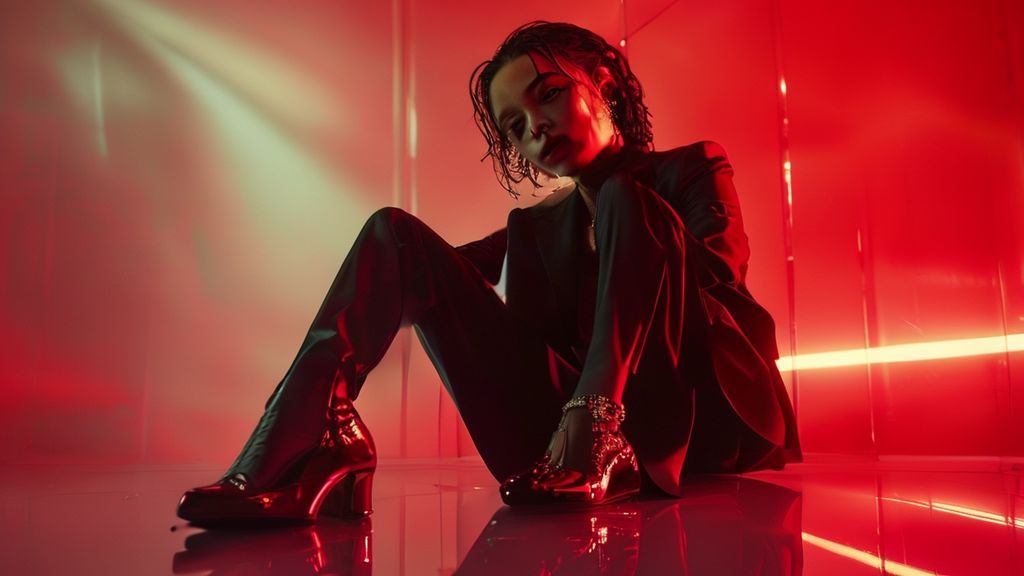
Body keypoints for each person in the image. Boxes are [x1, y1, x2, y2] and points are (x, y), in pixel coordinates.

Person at [176, 21, 801, 526]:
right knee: (395, 236)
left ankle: (596, 429)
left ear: (604, 83)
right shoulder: (536, 228)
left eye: (548, 95)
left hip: (696, 415)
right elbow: (417, 272)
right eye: (515, 126)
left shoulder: (690, 170)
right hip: (554, 450)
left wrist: (629, 225)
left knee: (621, 197)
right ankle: (301, 441)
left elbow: (718, 278)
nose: (535, 127)